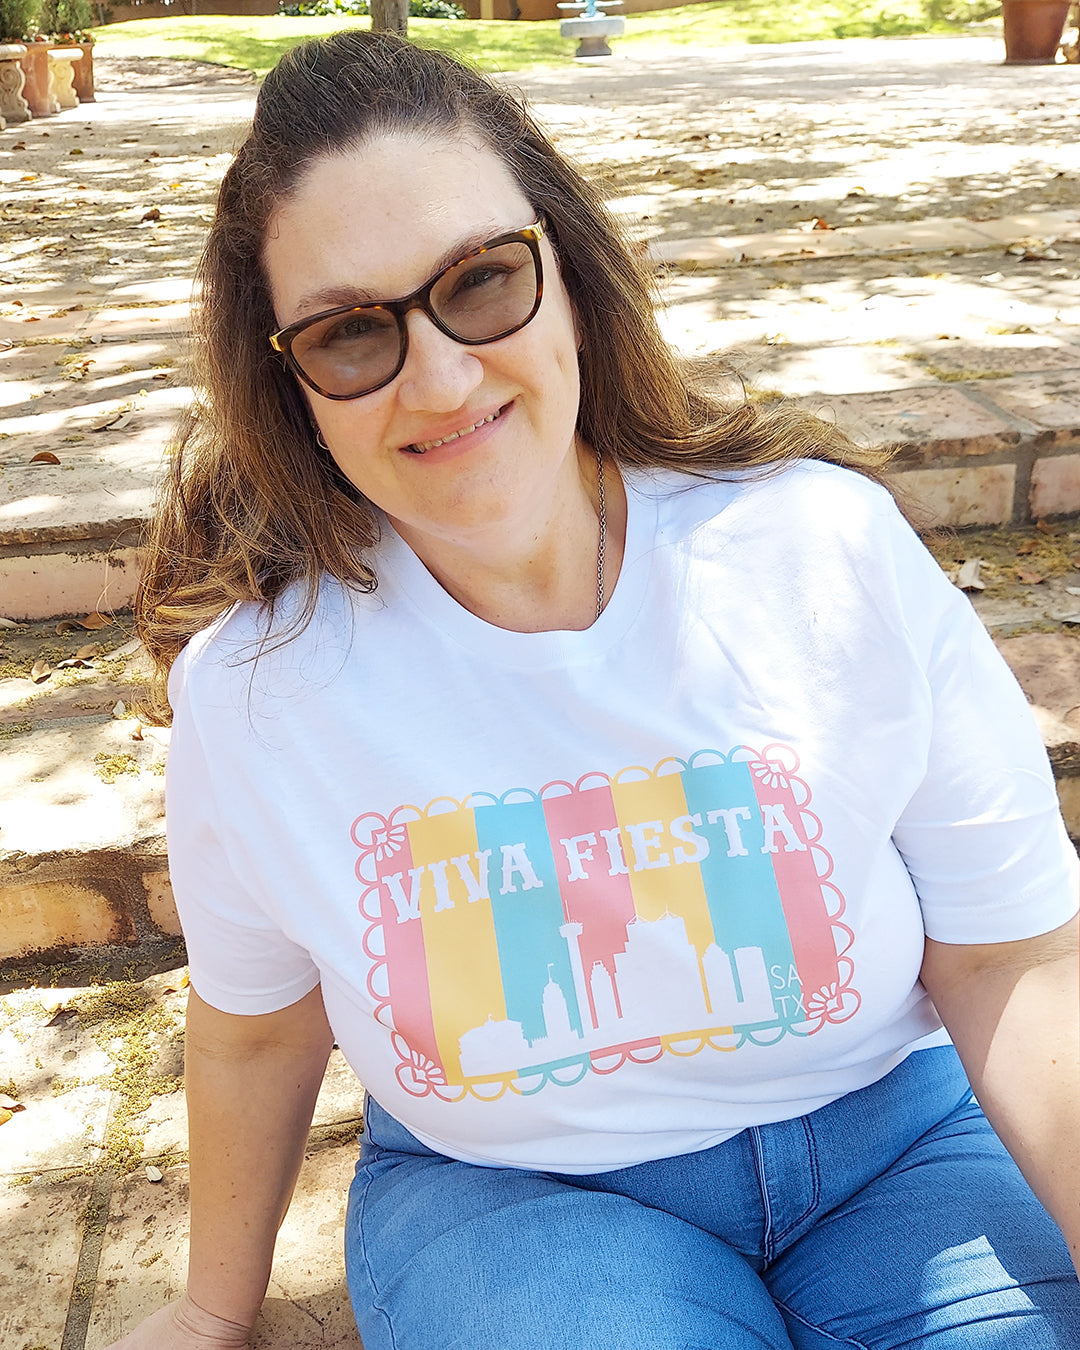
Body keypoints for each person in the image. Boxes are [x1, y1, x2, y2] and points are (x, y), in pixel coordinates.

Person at [111, 29, 1079, 1350]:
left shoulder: (822, 549)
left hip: (902, 1148)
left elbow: (1011, 955)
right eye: (349, 333)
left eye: (481, 280)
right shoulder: (259, 693)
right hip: (517, 1200)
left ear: (565, 270)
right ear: (290, 383)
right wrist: (211, 1307)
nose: (441, 377)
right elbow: (257, 1031)